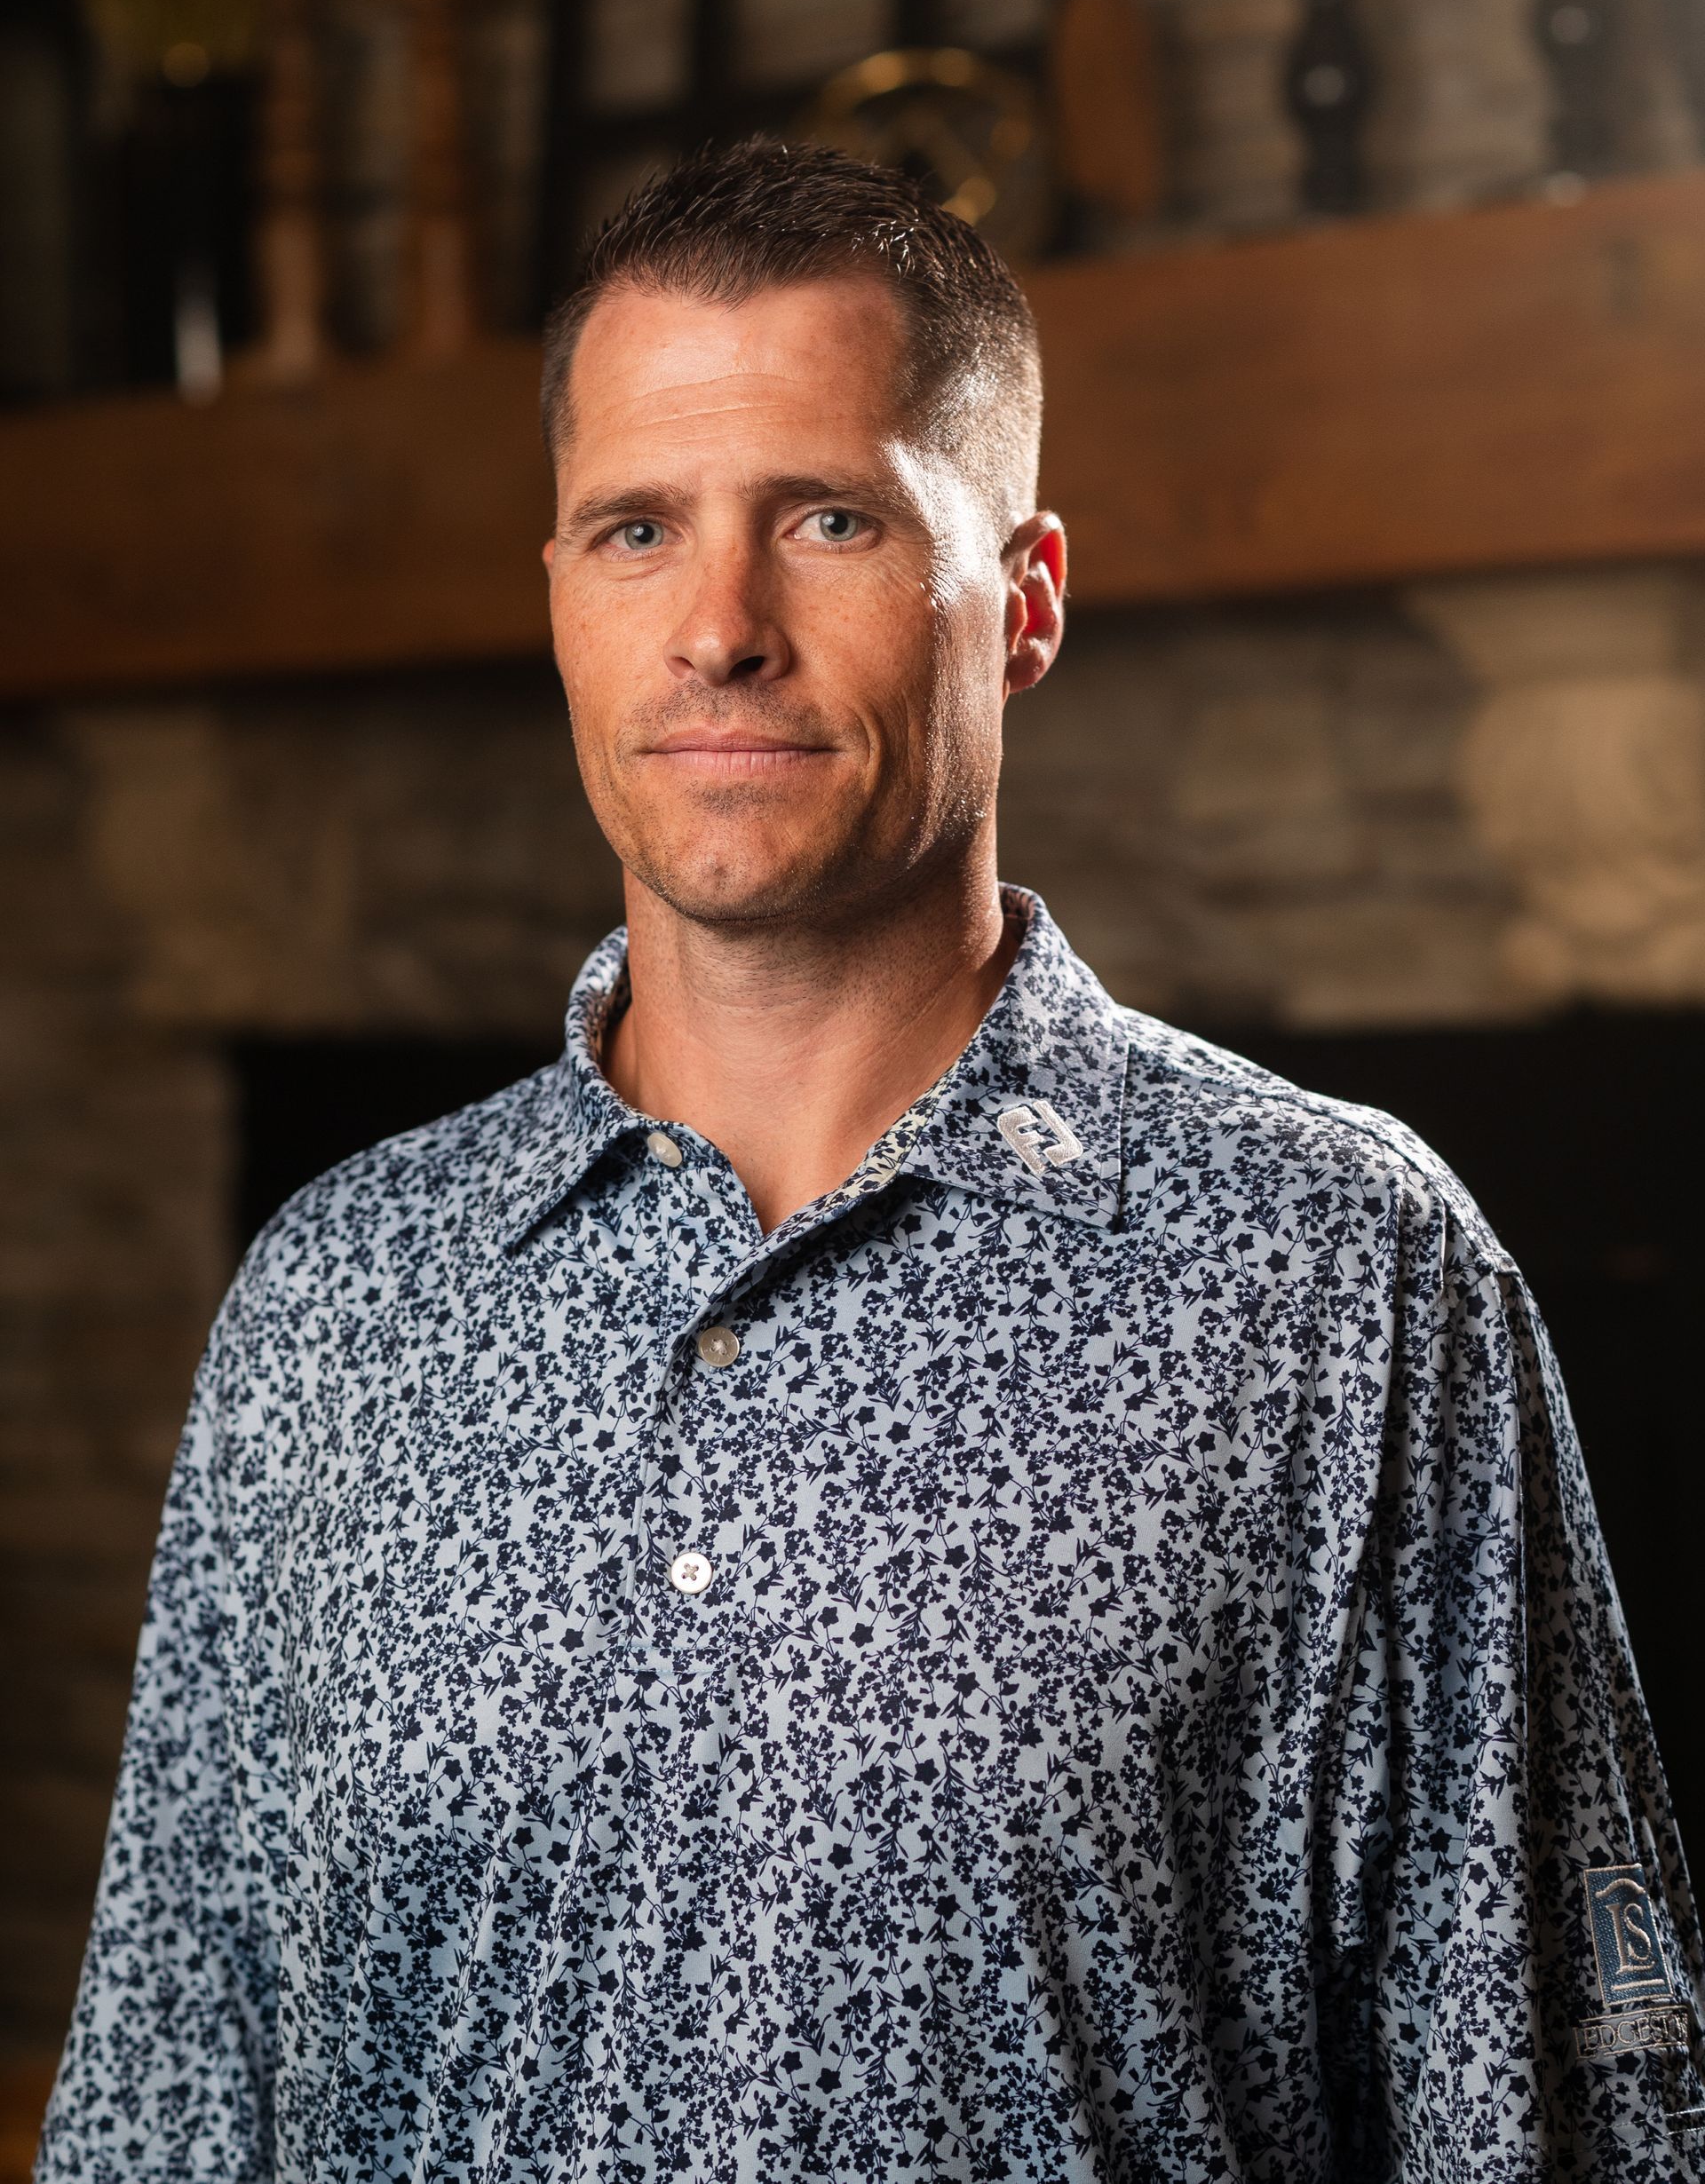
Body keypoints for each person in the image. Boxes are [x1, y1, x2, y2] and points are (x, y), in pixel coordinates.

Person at [38, 138, 1704, 2183]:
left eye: (828, 517)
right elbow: (165, 2116)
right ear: (558, 597)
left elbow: (1555, 2127)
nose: (719, 626)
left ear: (1023, 603)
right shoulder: (332, 1300)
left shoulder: (1341, 1275)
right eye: (635, 528)